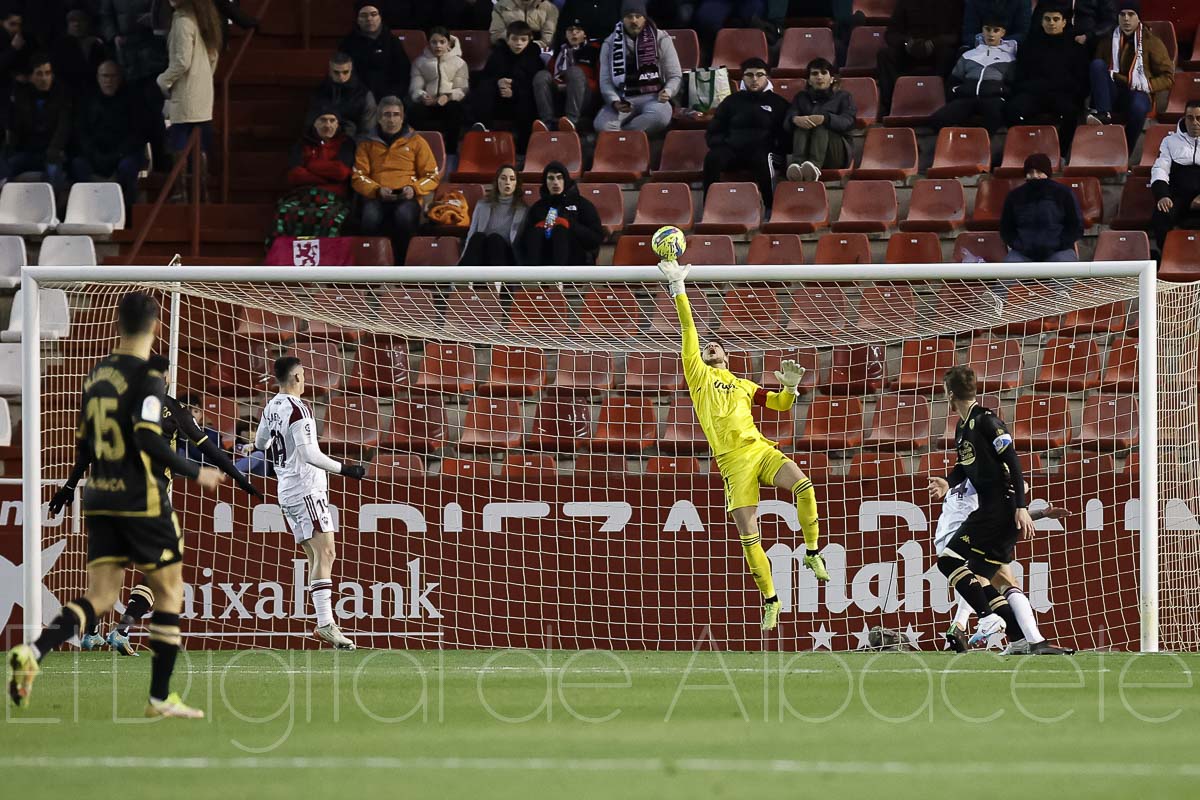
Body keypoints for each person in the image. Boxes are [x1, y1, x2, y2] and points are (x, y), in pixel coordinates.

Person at [7, 292, 225, 716]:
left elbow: (86, 442)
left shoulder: (97, 374)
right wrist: (195, 471)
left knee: (102, 596)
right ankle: (160, 698)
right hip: (140, 496)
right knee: (170, 590)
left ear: (117, 326)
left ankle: (34, 651)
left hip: (99, 495)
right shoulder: (148, 376)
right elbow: (146, 436)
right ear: (157, 326)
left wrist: (71, 485)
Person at [654, 257, 829, 632]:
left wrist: (791, 388)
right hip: (732, 463)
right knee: (750, 536)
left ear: (728, 356)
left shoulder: (745, 385)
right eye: (707, 347)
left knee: (804, 486)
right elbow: (689, 331)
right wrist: (679, 289)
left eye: (716, 346)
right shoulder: (698, 377)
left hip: (759, 450)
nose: (709, 348)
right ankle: (771, 599)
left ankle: (812, 553)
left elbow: (780, 405)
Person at [49, 389, 259, 655]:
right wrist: (240, 478)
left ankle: (92, 632)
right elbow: (210, 450)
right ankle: (121, 631)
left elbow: (89, 452)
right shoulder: (173, 410)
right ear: (165, 379)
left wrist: (68, 487)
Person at [249, 356, 367, 649]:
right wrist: (346, 469)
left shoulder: (271, 406)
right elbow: (310, 454)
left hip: (287, 490)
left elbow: (260, 444)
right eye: (303, 374)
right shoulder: (298, 408)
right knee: (325, 553)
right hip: (305, 489)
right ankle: (326, 624)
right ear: (298, 377)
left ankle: (326, 623)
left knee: (319, 557)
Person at [927, 365, 1033, 649]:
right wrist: (948, 483)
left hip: (1000, 507)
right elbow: (963, 465)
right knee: (981, 576)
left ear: (949, 394)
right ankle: (1020, 639)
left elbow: (1012, 458)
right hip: (993, 507)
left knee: (948, 561)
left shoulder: (987, 420)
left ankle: (987, 618)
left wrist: (1021, 507)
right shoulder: (962, 427)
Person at [934, 480, 1075, 655]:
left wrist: (1042, 513)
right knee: (1006, 582)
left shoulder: (957, 486)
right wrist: (1030, 502)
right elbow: (1016, 495)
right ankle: (1032, 640)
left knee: (981, 581)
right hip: (970, 536)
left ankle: (968, 626)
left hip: (945, 542)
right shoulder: (984, 475)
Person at [352, 96, 440, 261]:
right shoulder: (366, 144)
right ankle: (373, 265)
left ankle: (403, 265)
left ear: (402, 117)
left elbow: (432, 175)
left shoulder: (417, 142)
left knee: (404, 216)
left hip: (407, 197)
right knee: (370, 217)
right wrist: (377, 190)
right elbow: (358, 176)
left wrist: (414, 189)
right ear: (379, 118)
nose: (391, 119)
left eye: (395, 114)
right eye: (386, 115)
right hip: (376, 196)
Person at [1085, 2, 1174, 155]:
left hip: (1138, 92)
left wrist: (1147, 84)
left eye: (1131, 14)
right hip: (1112, 92)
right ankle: (1103, 113)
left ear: (1138, 18)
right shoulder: (1107, 41)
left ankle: (1125, 149)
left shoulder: (1151, 42)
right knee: (1097, 64)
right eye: (1122, 15)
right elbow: (1098, 74)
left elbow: (1168, 77)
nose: (1126, 19)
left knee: (1138, 107)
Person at [703, 57, 789, 212]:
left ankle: (771, 207)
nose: (754, 79)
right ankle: (709, 207)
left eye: (759, 75)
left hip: (765, 152)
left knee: (763, 158)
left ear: (767, 77)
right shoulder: (730, 102)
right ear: (743, 77)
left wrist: (777, 147)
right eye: (749, 75)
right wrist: (725, 143)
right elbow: (714, 130)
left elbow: (785, 134)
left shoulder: (778, 103)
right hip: (734, 150)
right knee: (712, 158)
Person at [1006, 4, 1090, 158]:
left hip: (1061, 94)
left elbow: (1081, 80)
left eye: (1056, 19)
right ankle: (1025, 152)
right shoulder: (1028, 46)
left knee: (1071, 113)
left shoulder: (1075, 47)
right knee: (1013, 110)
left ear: (1064, 22)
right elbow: (1019, 77)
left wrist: (1069, 91)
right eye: (1047, 19)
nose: (1051, 23)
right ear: (1042, 21)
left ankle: (1061, 155)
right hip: (1033, 93)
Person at [157, 0, 221, 199]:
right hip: (203, 92)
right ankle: (202, 192)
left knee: (179, 143)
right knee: (200, 145)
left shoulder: (183, 21)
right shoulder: (204, 19)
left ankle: (181, 192)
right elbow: (213, 56)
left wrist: (162, 80)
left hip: (186, 93)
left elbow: (181, 61)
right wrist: (203, 77)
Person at [71, 60, 147, 216]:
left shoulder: (133, 101)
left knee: (128, 166)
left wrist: (117, 155)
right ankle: (86, 212)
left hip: (123, 155)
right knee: (78, 164)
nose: (109, 80)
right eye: (105, 76)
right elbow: (82, 133)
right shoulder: (88, 101)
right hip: (95, 155)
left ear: (119, 78)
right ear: (98, 78)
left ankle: (127, 214)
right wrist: (94, 155)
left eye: (113, 76)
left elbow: (137, 134)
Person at [99, 0, 168, 171]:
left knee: (153, 113)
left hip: (153, 55)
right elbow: (105, 14)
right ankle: (136, 160)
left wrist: (153, 21)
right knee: (134, 115)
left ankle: (161, 164)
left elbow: (166, 13)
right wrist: (113, 36)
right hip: (127, 57)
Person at [270, 107, 357, 243]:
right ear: (314, 123)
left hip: (333, 199)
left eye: (332, 121)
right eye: (323, 120)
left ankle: (327, 259)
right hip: (302, 196)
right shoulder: (302, 144)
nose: (328, 125)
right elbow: (294, 175)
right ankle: (285, 259)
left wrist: (310, 165)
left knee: (329, 217)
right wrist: (327, 177)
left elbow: (341, 173)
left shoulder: (346, 144)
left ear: (338, 124)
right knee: (283, 212)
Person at [594, 1, 681, 136]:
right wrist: (614, 101)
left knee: (659, 118)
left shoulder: (661, 38)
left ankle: (621, 137)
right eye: (629, 17)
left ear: (644, 18)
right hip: (624, 98)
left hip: (654, 97)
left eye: (637, 16)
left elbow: (675, 75)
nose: (633, 21)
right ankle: (631, 136)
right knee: (601, 125)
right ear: (622, 19)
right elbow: (605, 80)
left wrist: (668, 90)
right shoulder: (610, 43)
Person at [931, 18, 1017, 134]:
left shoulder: (1009, 58)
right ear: (982, 30)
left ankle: (984, 149)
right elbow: (953, 80)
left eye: (996, 30)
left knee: (994, 119)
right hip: (966, 97)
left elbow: (1012, 83)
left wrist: (1001, 93)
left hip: (993, 99)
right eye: (987, 29)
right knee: (938, 119)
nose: (991, 34)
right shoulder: (968, 55)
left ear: (1002, 33)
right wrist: (957, 91)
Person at [468, 21, 544, 151]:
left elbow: (534, 84)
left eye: (523, 40)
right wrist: (498, 82)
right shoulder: (498, 54)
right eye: (514, 39)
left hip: (522, 102)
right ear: (508, 39)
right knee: (484, 87)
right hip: (498, 100)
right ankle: (483, 129)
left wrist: (514, 89)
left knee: (528, 97)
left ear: (529, 40)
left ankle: (523, 149)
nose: (518, 43)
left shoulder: (534, 57)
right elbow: (486, 76)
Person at [876, 0, 962, 110]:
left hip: (938, 49)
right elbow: (891, 34)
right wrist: (907, 43)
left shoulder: (953, 3)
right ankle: (891, 105)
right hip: (909, 49)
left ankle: (941, 102)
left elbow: (957, 35)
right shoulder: (905, 3)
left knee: (950, 55)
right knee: (884, 55)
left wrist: (934, 43)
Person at [1, 54, 70, 188]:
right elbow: (13, 125)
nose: (44, 78)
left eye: (47, 73)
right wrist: (17, 91)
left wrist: (54, 150)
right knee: (6, 168)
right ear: (31, 77)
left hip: (51, 152)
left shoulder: (62, 95)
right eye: (39, 74)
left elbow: (64, 128)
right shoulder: (22, 96)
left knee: (53, 172)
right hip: (28, 152)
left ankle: (53, 205)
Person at [999, 153, 1084, 262]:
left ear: (1047, 173)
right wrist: (1019, 244)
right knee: (1007, 273)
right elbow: (1006, 228)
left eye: (1039, 172)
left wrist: (1061, 243)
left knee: (1066, 272)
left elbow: (1075, 225)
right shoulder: (1014, 196)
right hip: (1023, 253)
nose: (1035, 176)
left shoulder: (1064, 193)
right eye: (1030, 172)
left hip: (1059, 251)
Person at [783, 57, 855, 183]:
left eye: (824, 73)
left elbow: (847, 122)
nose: (819, 77)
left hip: (836, 152)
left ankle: (813, 166)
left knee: (821, 123)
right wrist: (795, 119)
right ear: (809, 81)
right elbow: (787, 121)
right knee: (802, 123)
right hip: (807, 149)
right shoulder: (801, 97)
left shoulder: (843, 97)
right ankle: (798, 166)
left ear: (832, 78)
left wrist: (826, 118)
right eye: (814, 73)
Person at [520, 161, 604, 265]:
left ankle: (559, 277)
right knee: (536, 232)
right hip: (545, 259)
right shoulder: (537, 208)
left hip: (575, 258)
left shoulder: (582, 204)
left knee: (560, 230)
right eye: (551, 178)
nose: (555, 182)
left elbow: (596, 238)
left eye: (559, 178)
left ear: (566, 180)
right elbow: (525, 240)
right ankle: (534, 276)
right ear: (545, 182)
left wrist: (570, 225)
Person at [534, 16, 601, 132]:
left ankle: (571, 121)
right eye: (570, 31)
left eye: (578, 31)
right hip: (560, 92)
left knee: (574, 72)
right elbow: (550, 74)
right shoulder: (559, 51)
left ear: (584, 34)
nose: (574, 34)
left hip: (585, 95)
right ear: (565, 34)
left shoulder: (594, 50)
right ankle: (547, 122)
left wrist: (572, 85)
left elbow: (600, 79)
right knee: (541, 76)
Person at [407, 27, 468, 154]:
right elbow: (415, 88)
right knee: (415, 110)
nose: (438, 46)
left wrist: (448, 96)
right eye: (434, 42)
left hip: (447, 102)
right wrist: (422, 96)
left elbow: (462, 89)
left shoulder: (459, 63)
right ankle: (420, 149)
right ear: (429, 43)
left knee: (455, 109)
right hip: (428, 103)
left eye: (442, 42)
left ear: (448, 43)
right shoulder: (419, 62)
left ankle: (451, 151)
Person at [1150, 101, 1200, 253]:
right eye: (1190, 118)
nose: (1195, 122)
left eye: (1199, 118)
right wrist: (1162, 195)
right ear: (1184, 118)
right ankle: (1167, 256)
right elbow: (1160, 169)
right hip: (1178, 198)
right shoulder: (1170, 141)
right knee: (1162, 214)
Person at [339, 3, 411, 103]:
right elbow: (344, 74)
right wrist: (363, 95)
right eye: (364, 15)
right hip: (359, 96)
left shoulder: (392, 41)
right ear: (357, 20)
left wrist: (394, 94)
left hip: (391, 95)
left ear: (380, 17)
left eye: (373, 14)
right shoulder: (348, 43)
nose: (369, 19)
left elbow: (403, 73)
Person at [461, 164, 527, 266]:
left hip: (506, 257)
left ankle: (497, 280)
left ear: (516, 183)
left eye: (512, 179)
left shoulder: (523, 210)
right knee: (477, 237)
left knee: (495, 239)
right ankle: (463, 277)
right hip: (483, 253)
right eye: (503, 178)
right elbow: (471, 235)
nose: (508, 182)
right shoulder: (482, 205)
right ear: (497, 181)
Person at [309, 52, 377, 138]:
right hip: (324, 143)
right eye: (336, 72)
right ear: (330, 71)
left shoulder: (364, 95)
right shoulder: (320, 92)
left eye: (345, 72)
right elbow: (310, 125)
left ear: (351, 70)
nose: (341, 77)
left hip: (353, 144)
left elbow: (368, 131)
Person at [50, 8, 107, 92]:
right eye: (72, 21)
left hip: (94, 89)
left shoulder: (96, 43)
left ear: (87, 23)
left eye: (81, 20)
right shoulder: (60, 45)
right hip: (68, 90)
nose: (77, 24)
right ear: (67, 24)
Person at [490, 0, 559, 50]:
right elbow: (496, 35)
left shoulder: (550, 8)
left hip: (536, 49)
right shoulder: (501, 6)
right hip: (507, 47)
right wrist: (516, 41)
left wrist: (528, 44)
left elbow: (548, 39)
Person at [961, 0, 1030, 47]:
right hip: (978, 50)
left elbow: (1023, 34)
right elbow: (968, 34)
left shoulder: (1022, 2)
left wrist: (998, 43)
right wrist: (984, 43)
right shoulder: (974, 2)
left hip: (1011, 52)